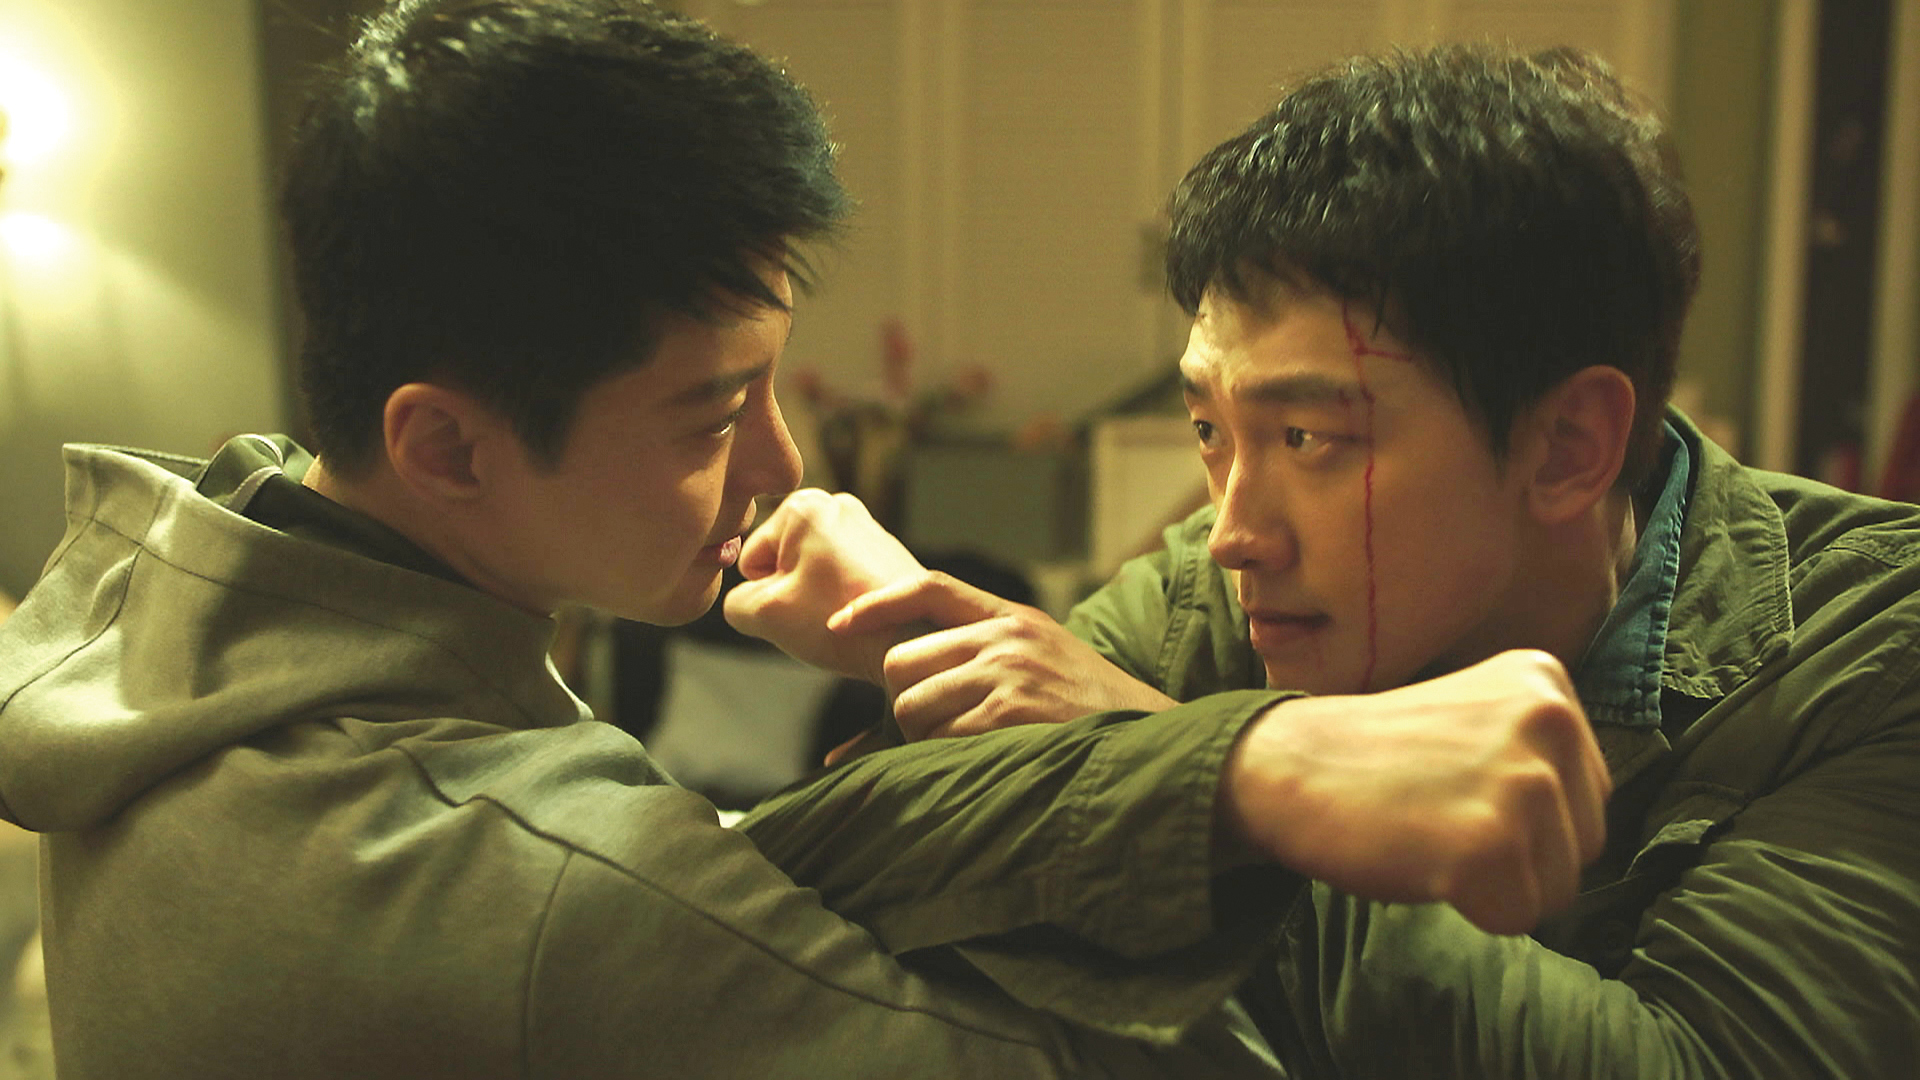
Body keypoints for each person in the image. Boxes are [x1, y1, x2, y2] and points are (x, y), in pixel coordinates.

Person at [0, 5, 1611, 1077]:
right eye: (713, 414)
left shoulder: (175, 622)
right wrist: (1241, 773)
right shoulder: (543, 890)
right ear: (447, 443)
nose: (783, 467)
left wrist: (932, 641)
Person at [726, 44, 1920, 1077]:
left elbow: (1690, 1060)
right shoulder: (1214, 592)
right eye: (1210, 431)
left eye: (1308, 438)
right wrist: (1245, 774)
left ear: (1568, 445)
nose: (1232, 530)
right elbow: (812, 876)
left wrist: (1200, 770)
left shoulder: (1873, 648)